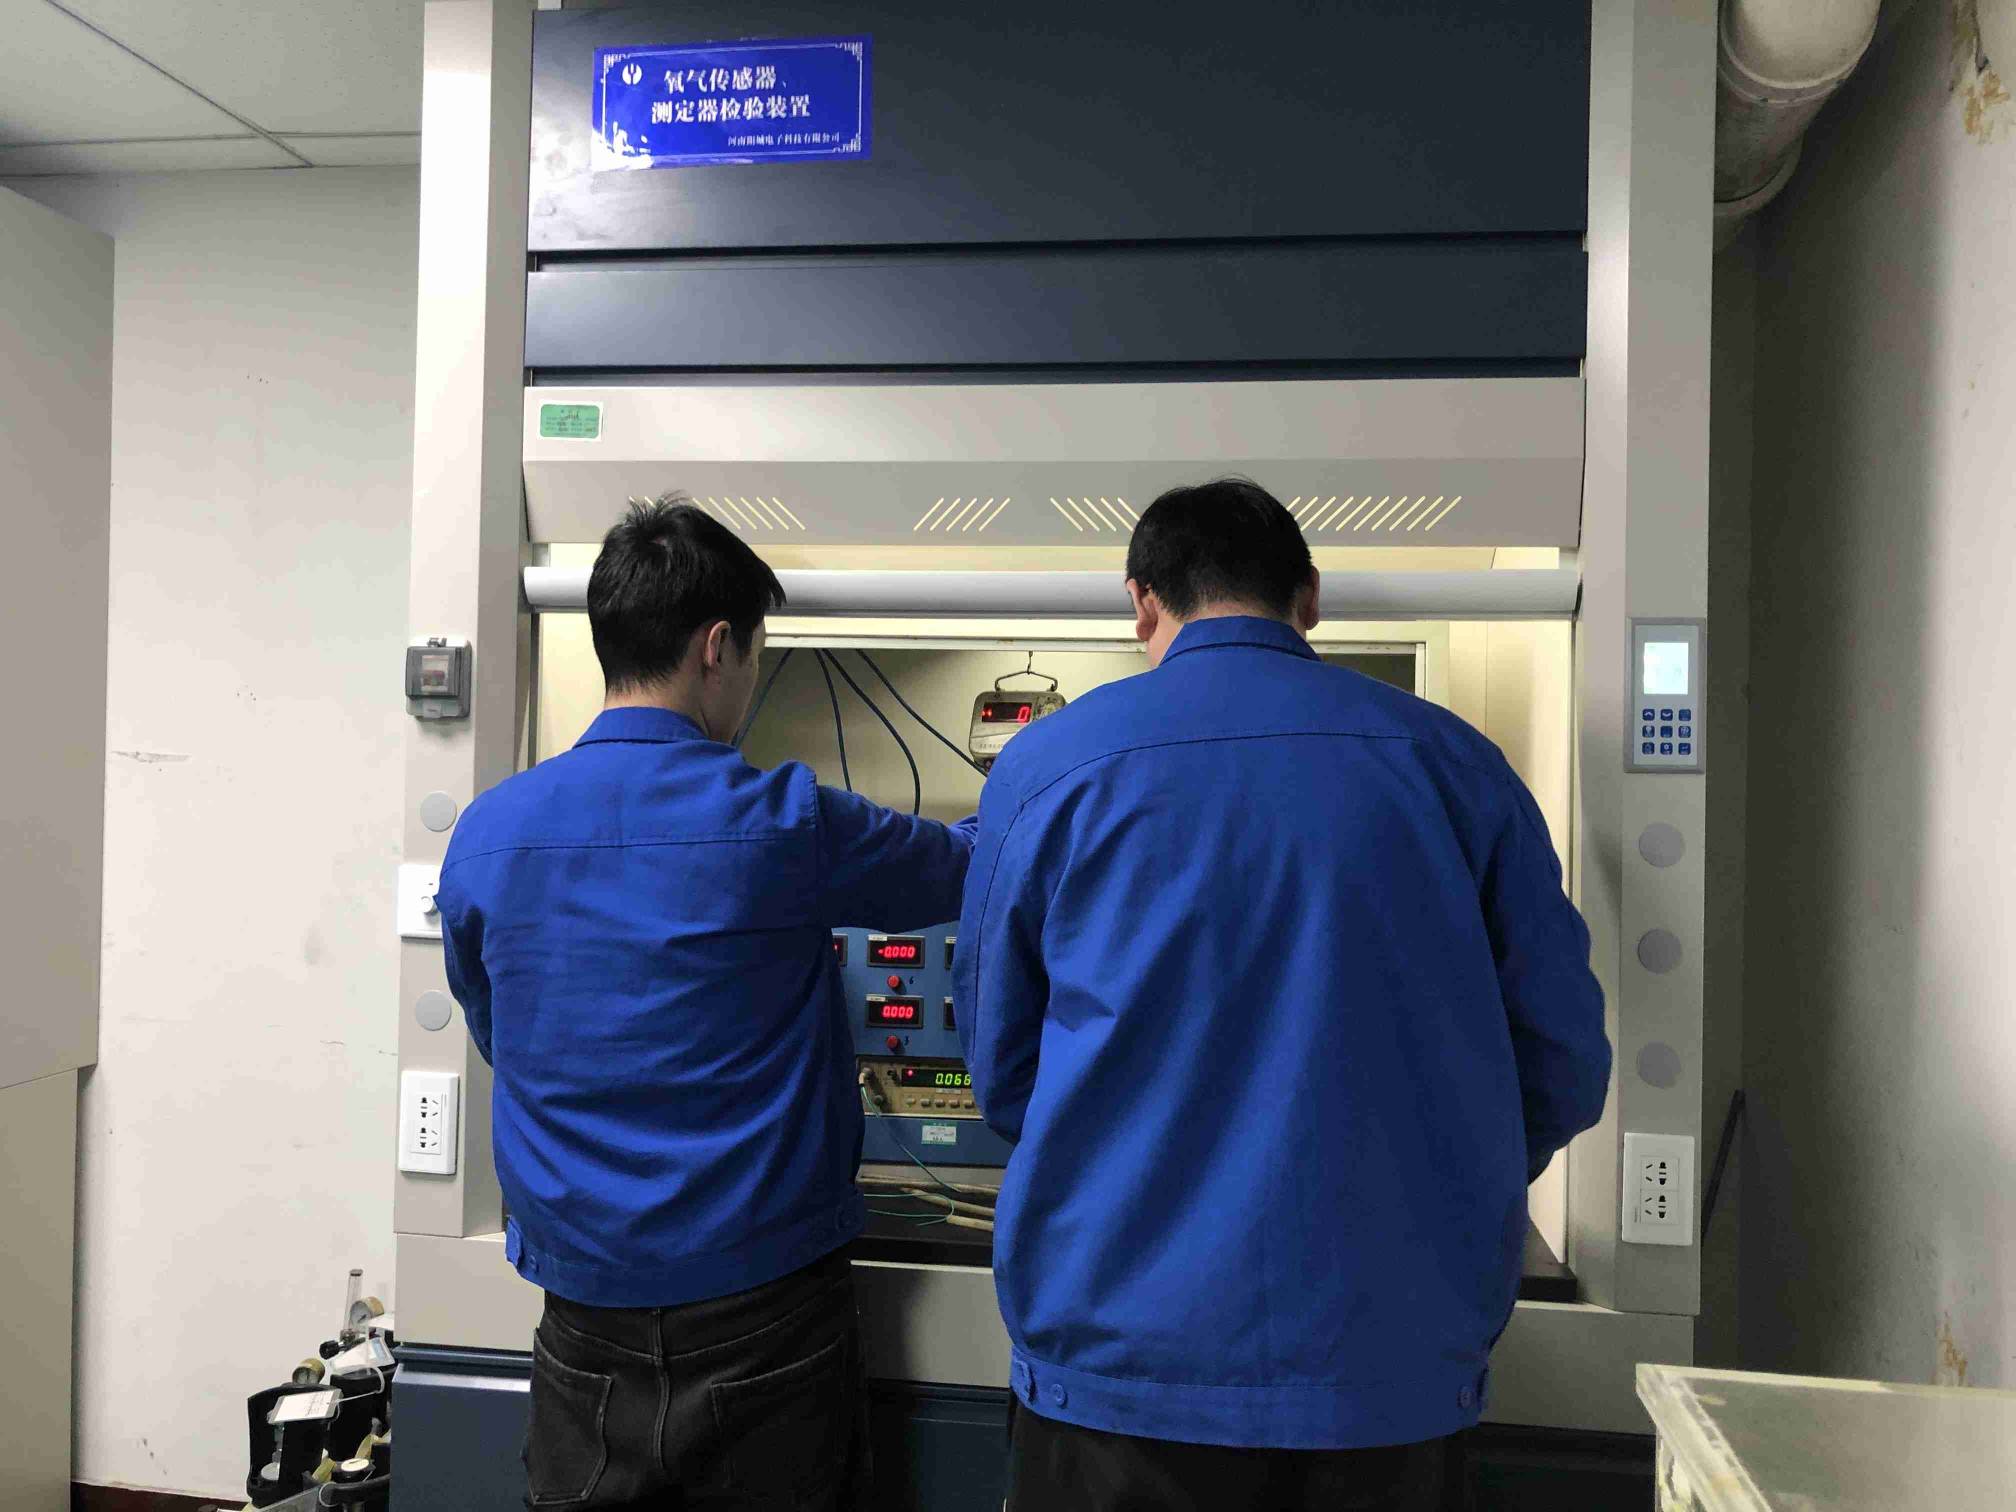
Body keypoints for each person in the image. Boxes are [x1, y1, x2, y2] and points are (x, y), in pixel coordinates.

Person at [953, 478, 1610, 1512]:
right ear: (1309, 596)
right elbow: (1564, 1060)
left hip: (1117, 1363)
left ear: (1141, 603)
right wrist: (1441, 1169)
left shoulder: (1046, 771)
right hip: (1385, 1368)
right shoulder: (1455, 766)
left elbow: (1002, 1067)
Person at [437, 496, 976, 1511]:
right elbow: (960, 869)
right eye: (757, 654)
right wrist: (1042, 780)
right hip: (768, 1320)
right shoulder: (784, 822)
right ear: (717, 647)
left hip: (583, 1324)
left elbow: (500, 1033)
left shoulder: (487, 835)